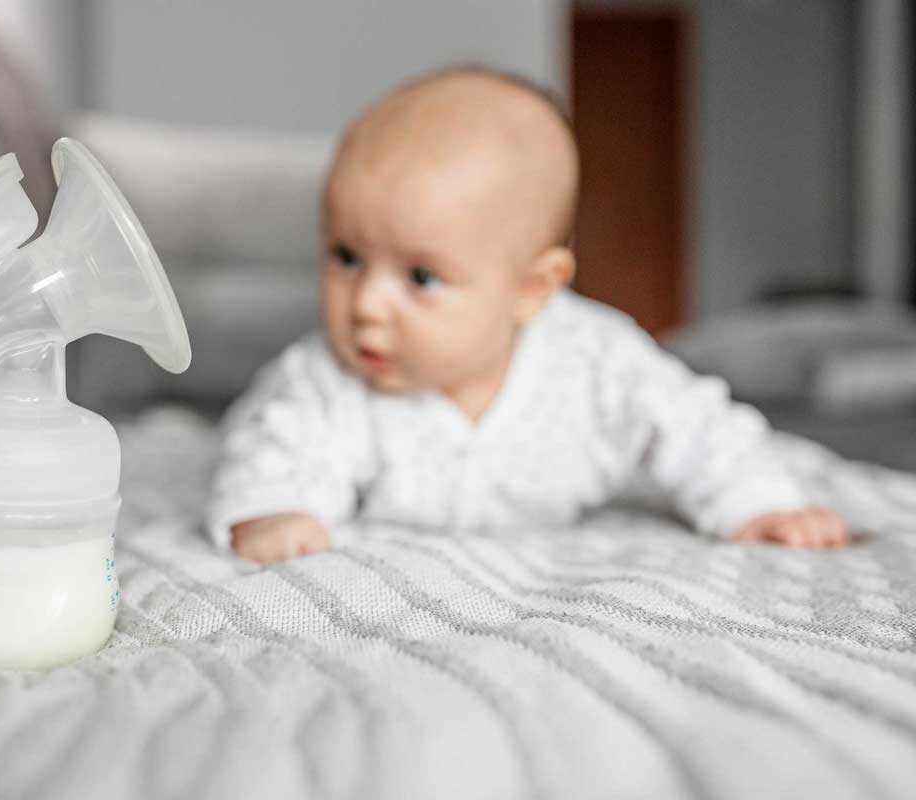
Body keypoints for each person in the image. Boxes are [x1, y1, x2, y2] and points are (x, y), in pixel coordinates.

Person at [207, 66, 849, 564]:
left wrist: (758, 505)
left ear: (533, 288)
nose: (366, 304)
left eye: (421, 277)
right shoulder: (324, 378)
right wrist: (277, 511)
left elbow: (698, 427)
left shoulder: (598, 363)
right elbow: (273, 450)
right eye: (346, 257)